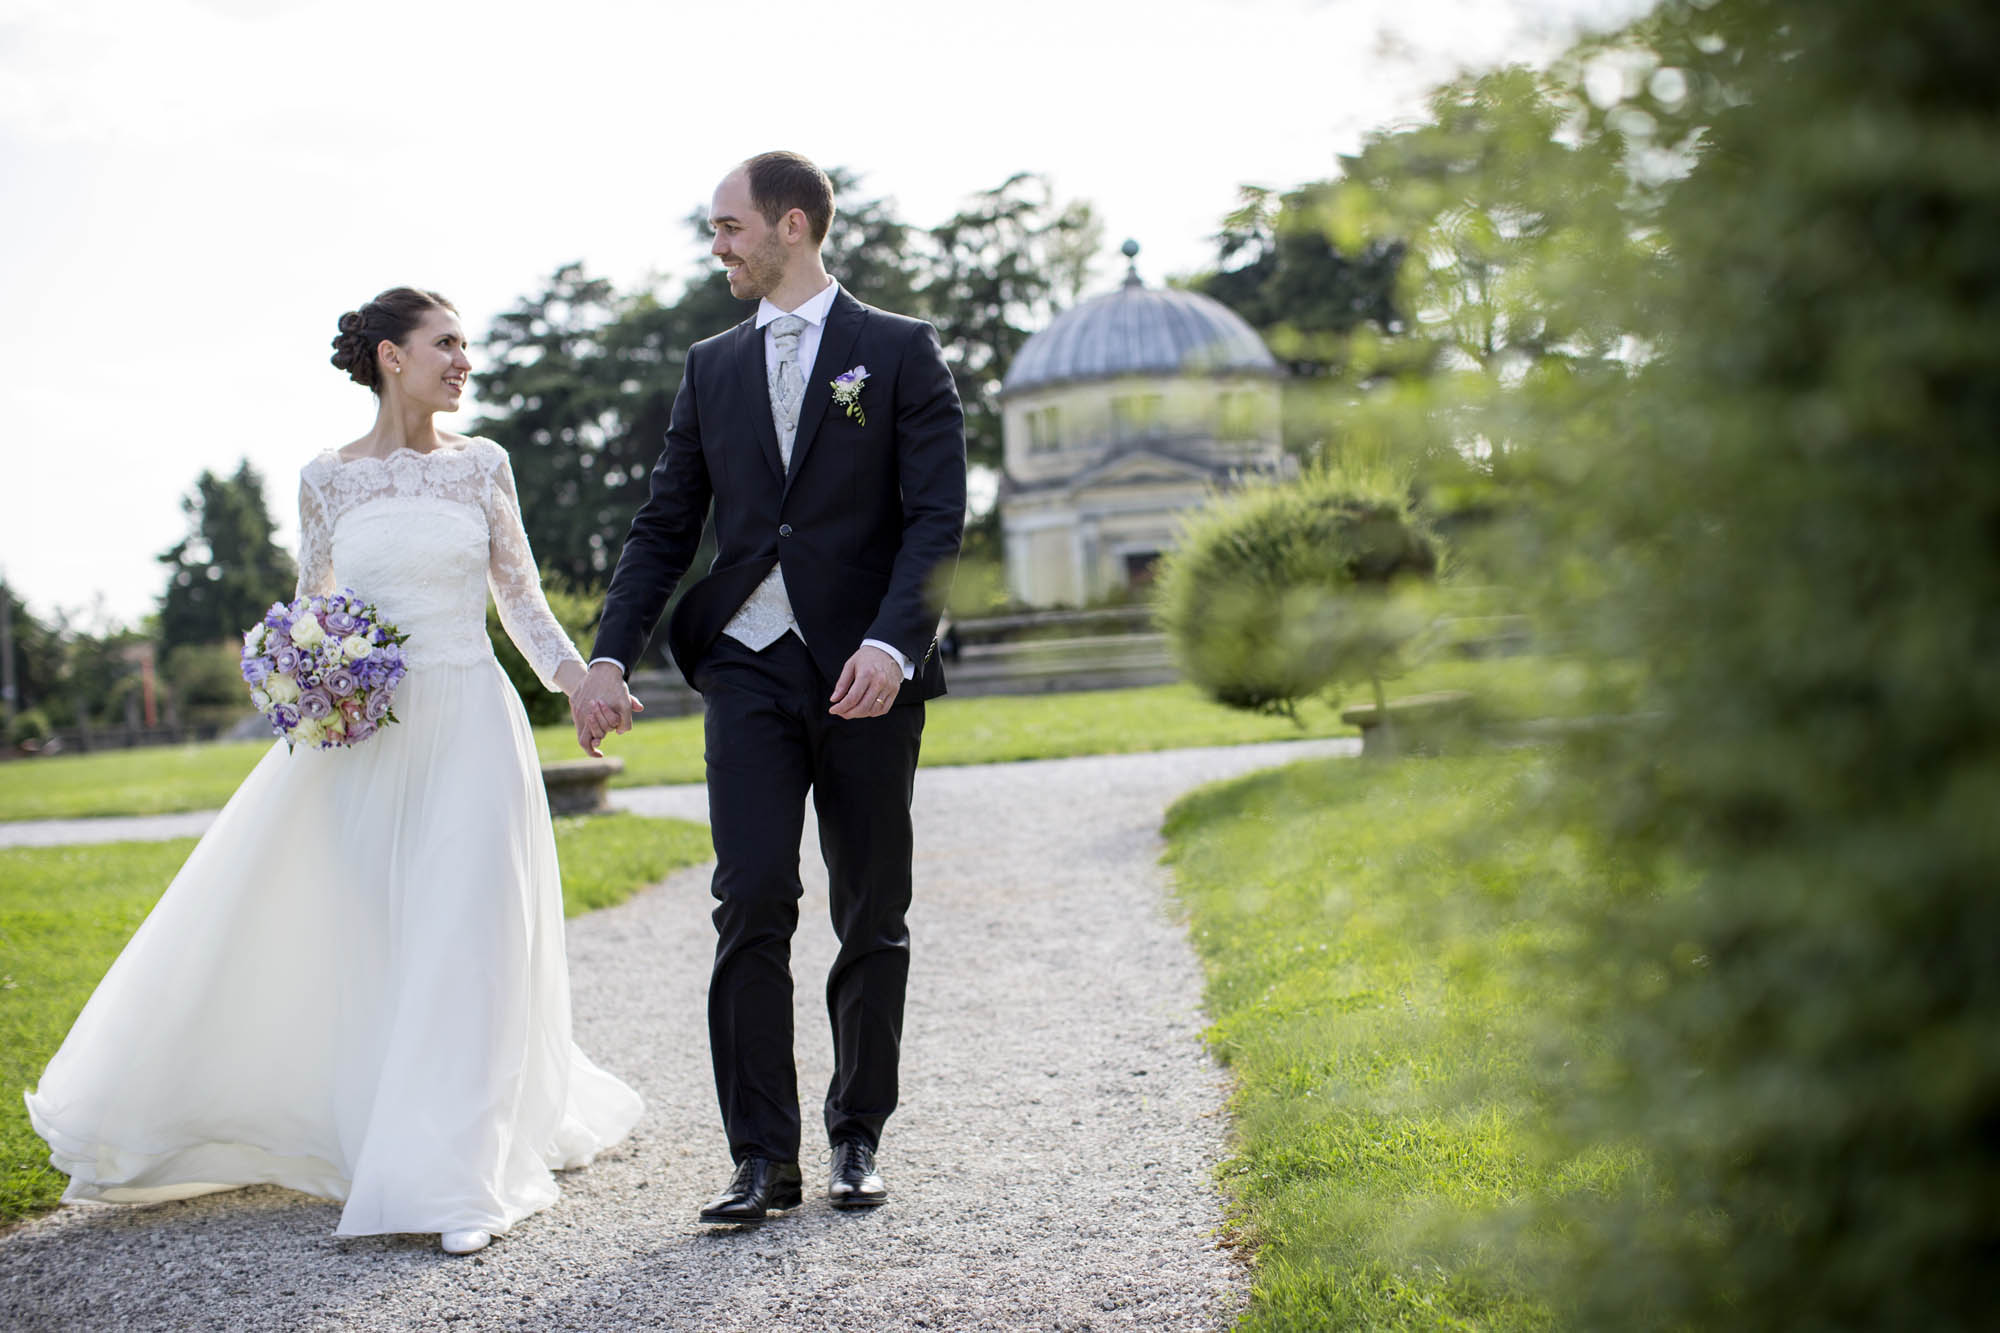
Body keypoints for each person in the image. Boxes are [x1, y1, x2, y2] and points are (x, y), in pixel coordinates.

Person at [24, 288, 643, 1256]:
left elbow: (517, 597)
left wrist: (577, 682)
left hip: (471, 722)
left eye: (466, 344)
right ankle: (383, 1131)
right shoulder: (326, 479)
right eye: (447, 344)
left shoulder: (483, 467)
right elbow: (311, 603)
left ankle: (457, 1174)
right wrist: (309, 674)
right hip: (369, 736)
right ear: (392, 357)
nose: (463, 361)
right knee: (385, 937)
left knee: (468, 929)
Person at [574, 152, 965, 1224]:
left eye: (728, 226)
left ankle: (854, 1135)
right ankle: (760, 1156)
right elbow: (665, 522)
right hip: (746, 663)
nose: (718, 246)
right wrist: (608, 652)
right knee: (749, 898)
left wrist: (891, 646)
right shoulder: (709, 367)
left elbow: (935, 519)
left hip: (867, 674)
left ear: (791, 225)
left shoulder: (896, 352)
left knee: (870, 906)